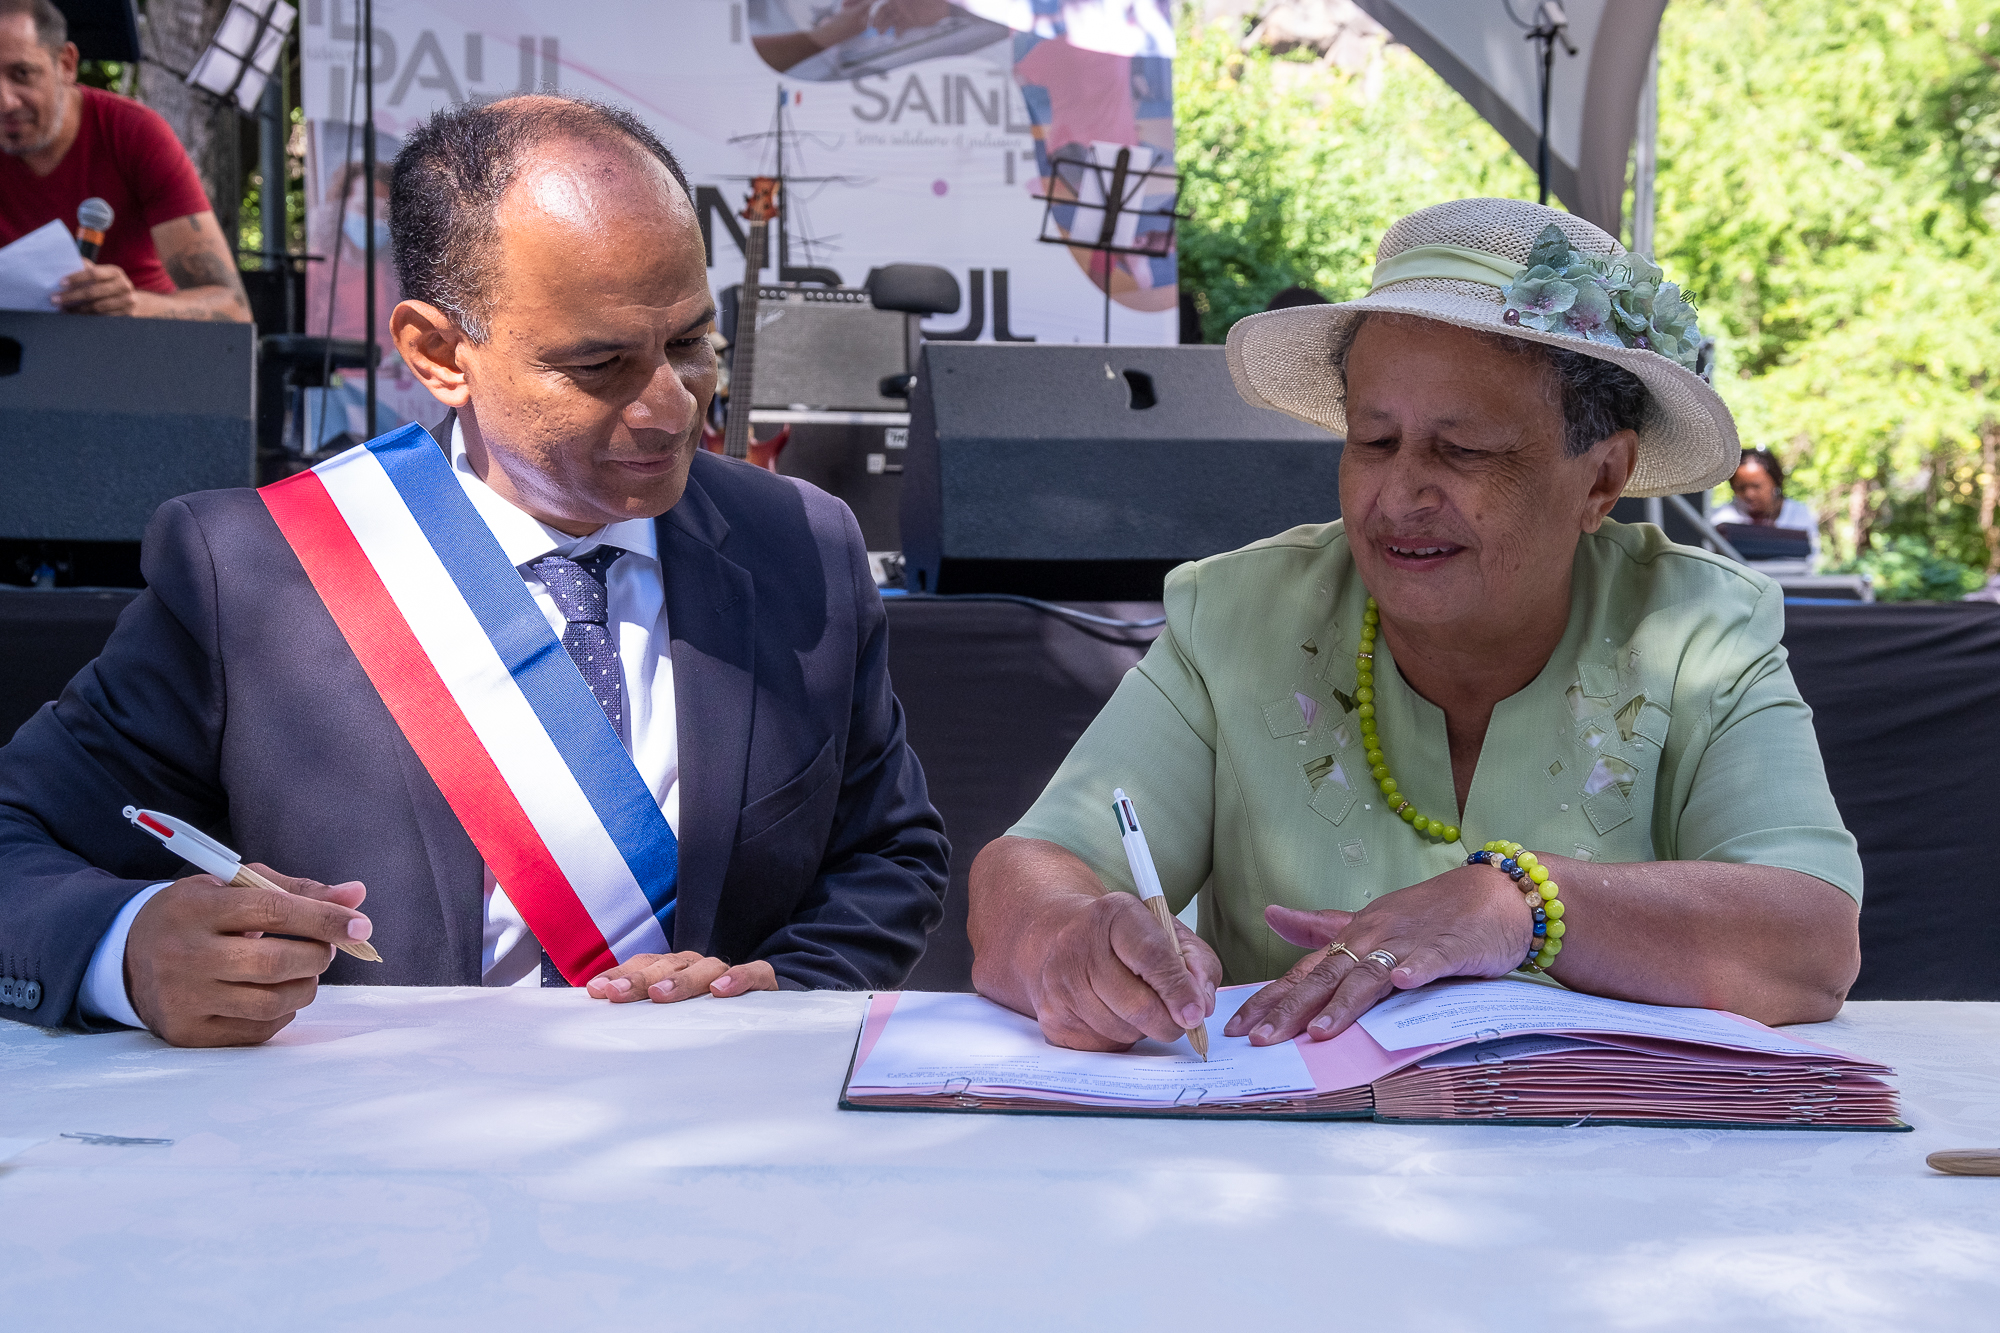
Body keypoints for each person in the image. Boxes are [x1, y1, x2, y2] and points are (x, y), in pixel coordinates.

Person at [0, 93, 949, 1045]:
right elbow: (15, 840)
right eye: (601, 363)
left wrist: (778, 994)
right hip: (363, 1161)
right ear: (438, 353)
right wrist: (126, 950)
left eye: (691, 342)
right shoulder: (252, 573)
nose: (672, 407)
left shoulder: (802, 547)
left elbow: (887, 852)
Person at [968, 198, 1862, 1054]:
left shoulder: (1698, 628)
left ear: (1601, 478)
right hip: (1283, 1178)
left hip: (1609, 1181)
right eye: (1373, 439)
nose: (1399, 497)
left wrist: (1519, 909)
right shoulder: (1239, 614)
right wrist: (1073, 942)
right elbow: (1023, 872)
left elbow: (1812, 939)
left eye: (1463, 449)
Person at [0, 0, 249, 322]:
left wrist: (133, 305)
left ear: (66, 64)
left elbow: (233, 307)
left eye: (22, 74)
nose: (5, 101)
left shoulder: (133, 133)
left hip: (135, 351)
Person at [1710, 448, 1820, 572]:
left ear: (1775, 483)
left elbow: (1810, 560)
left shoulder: (1799, 514)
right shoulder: (1721, 517)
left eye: (1756, 486)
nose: (1749, 494)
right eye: (1740, 487)